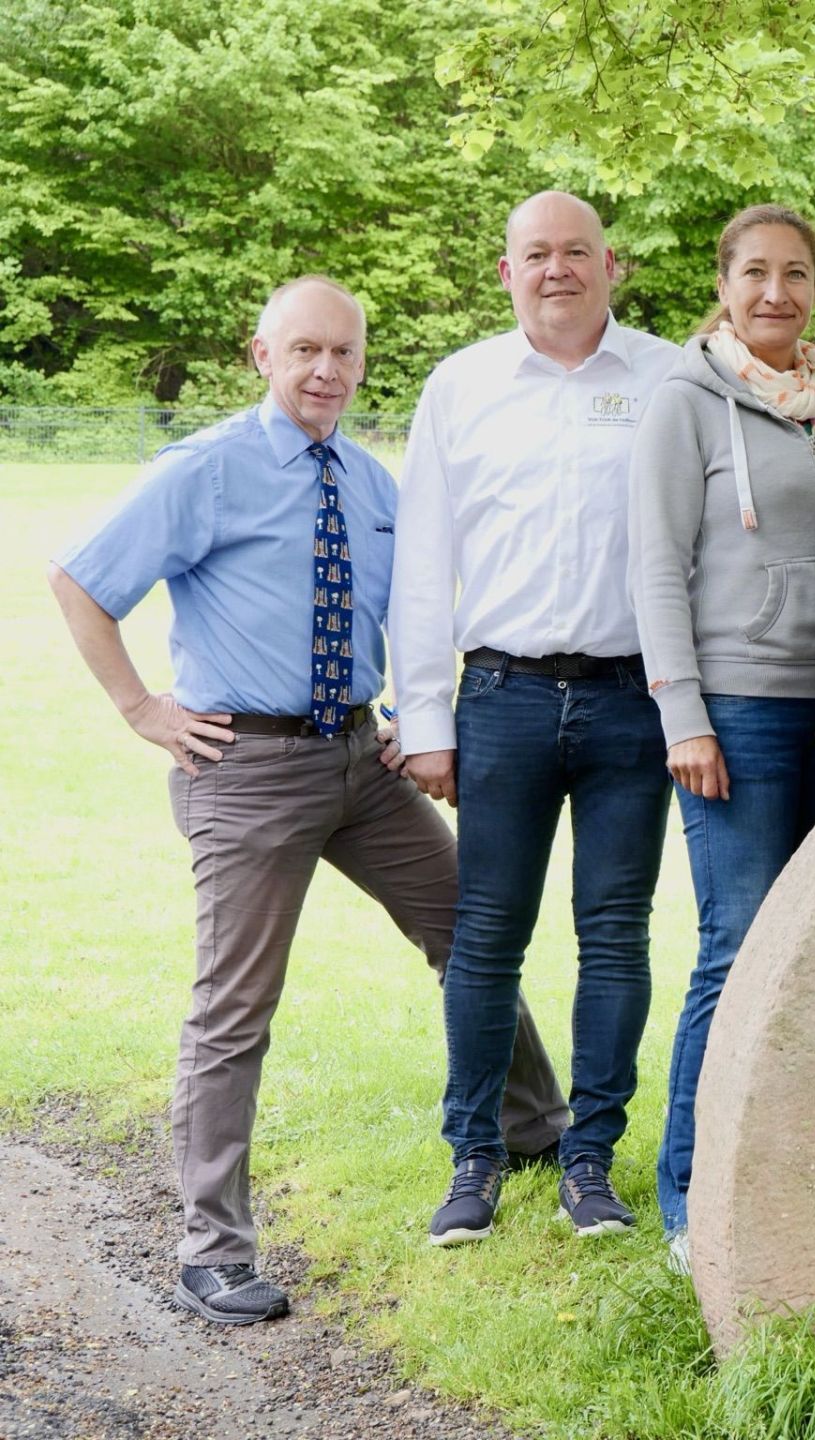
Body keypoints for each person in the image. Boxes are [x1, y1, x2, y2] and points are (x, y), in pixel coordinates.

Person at [46, 276, 568, 1325]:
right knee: (235, 1008)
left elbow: (415, 609)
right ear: (261, 355)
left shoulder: (374, 485)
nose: (325, 370)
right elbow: (82, 581)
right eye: (304, 352)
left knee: (472, 930)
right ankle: (212, 1250)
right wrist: (141, 706)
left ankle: (534, 1128)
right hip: (245, 770)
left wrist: (410, 720)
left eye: (344, 353)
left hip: (360, 766)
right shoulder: (208, 470)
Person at [391, 191, 679, 1247]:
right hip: (500, 699)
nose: (557, 269)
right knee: (486, 940)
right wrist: (424, 715)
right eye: (535, 255)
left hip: (632, 703)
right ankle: (475, 1156)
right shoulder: (461, 386)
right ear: (507, 272)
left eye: (576, 251)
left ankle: (590, 1159)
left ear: (612, 264)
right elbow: (423, 561)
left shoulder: (667, 377)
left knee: (614, 934)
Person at [629, 204, 815, 1272]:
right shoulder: (683, 401)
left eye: (798, 275)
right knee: (735, 948)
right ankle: (689, 1201)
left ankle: (794, 1175)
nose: (777, 293)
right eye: (757, 273)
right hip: (735, 713)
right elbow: (654, 566)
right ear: (724, 284)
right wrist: (683, 713)